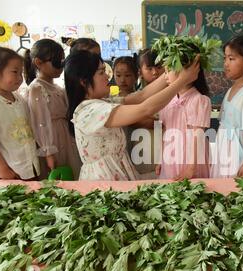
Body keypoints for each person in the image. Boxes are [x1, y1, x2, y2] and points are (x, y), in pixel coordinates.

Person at [64, 50, 200, 180]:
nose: (107, 76)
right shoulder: (90, 111)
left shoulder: (102, 102)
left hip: (118, 172)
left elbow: (141, 95)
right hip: (104, 179)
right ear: (83, 81)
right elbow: (145, 109)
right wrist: (181, 81)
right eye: (101, 73)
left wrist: (170, 72)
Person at [0, 47, 39, 180]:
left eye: (21, 73)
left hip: (29, 168)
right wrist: (3, 169)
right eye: (15, 72)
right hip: (8, 173)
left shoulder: (19, 99)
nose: (20, 78)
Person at [24, 39, 82, 179]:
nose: (61, 66)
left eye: (62, 61)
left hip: (65, 137)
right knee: (57, 180)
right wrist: (48, 152)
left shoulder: (57, 88)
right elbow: (40, 123)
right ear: (38, 62)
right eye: (56, 61)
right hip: (52, 140)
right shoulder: (37, 89)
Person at [211, 34, 243, 178]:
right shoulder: (230, 90)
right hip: (225, 151)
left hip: (238, 153)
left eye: (231, 59)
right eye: (225, 58)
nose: (226, 64)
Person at [156, 45, 212, 180]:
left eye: (169, 70)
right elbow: (165, 131)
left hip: (190, 159)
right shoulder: (167, 99)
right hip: (170, 157)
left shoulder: (199, 100)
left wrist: (191, 168)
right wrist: (160, 159)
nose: (165, 75)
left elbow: (198, 135)